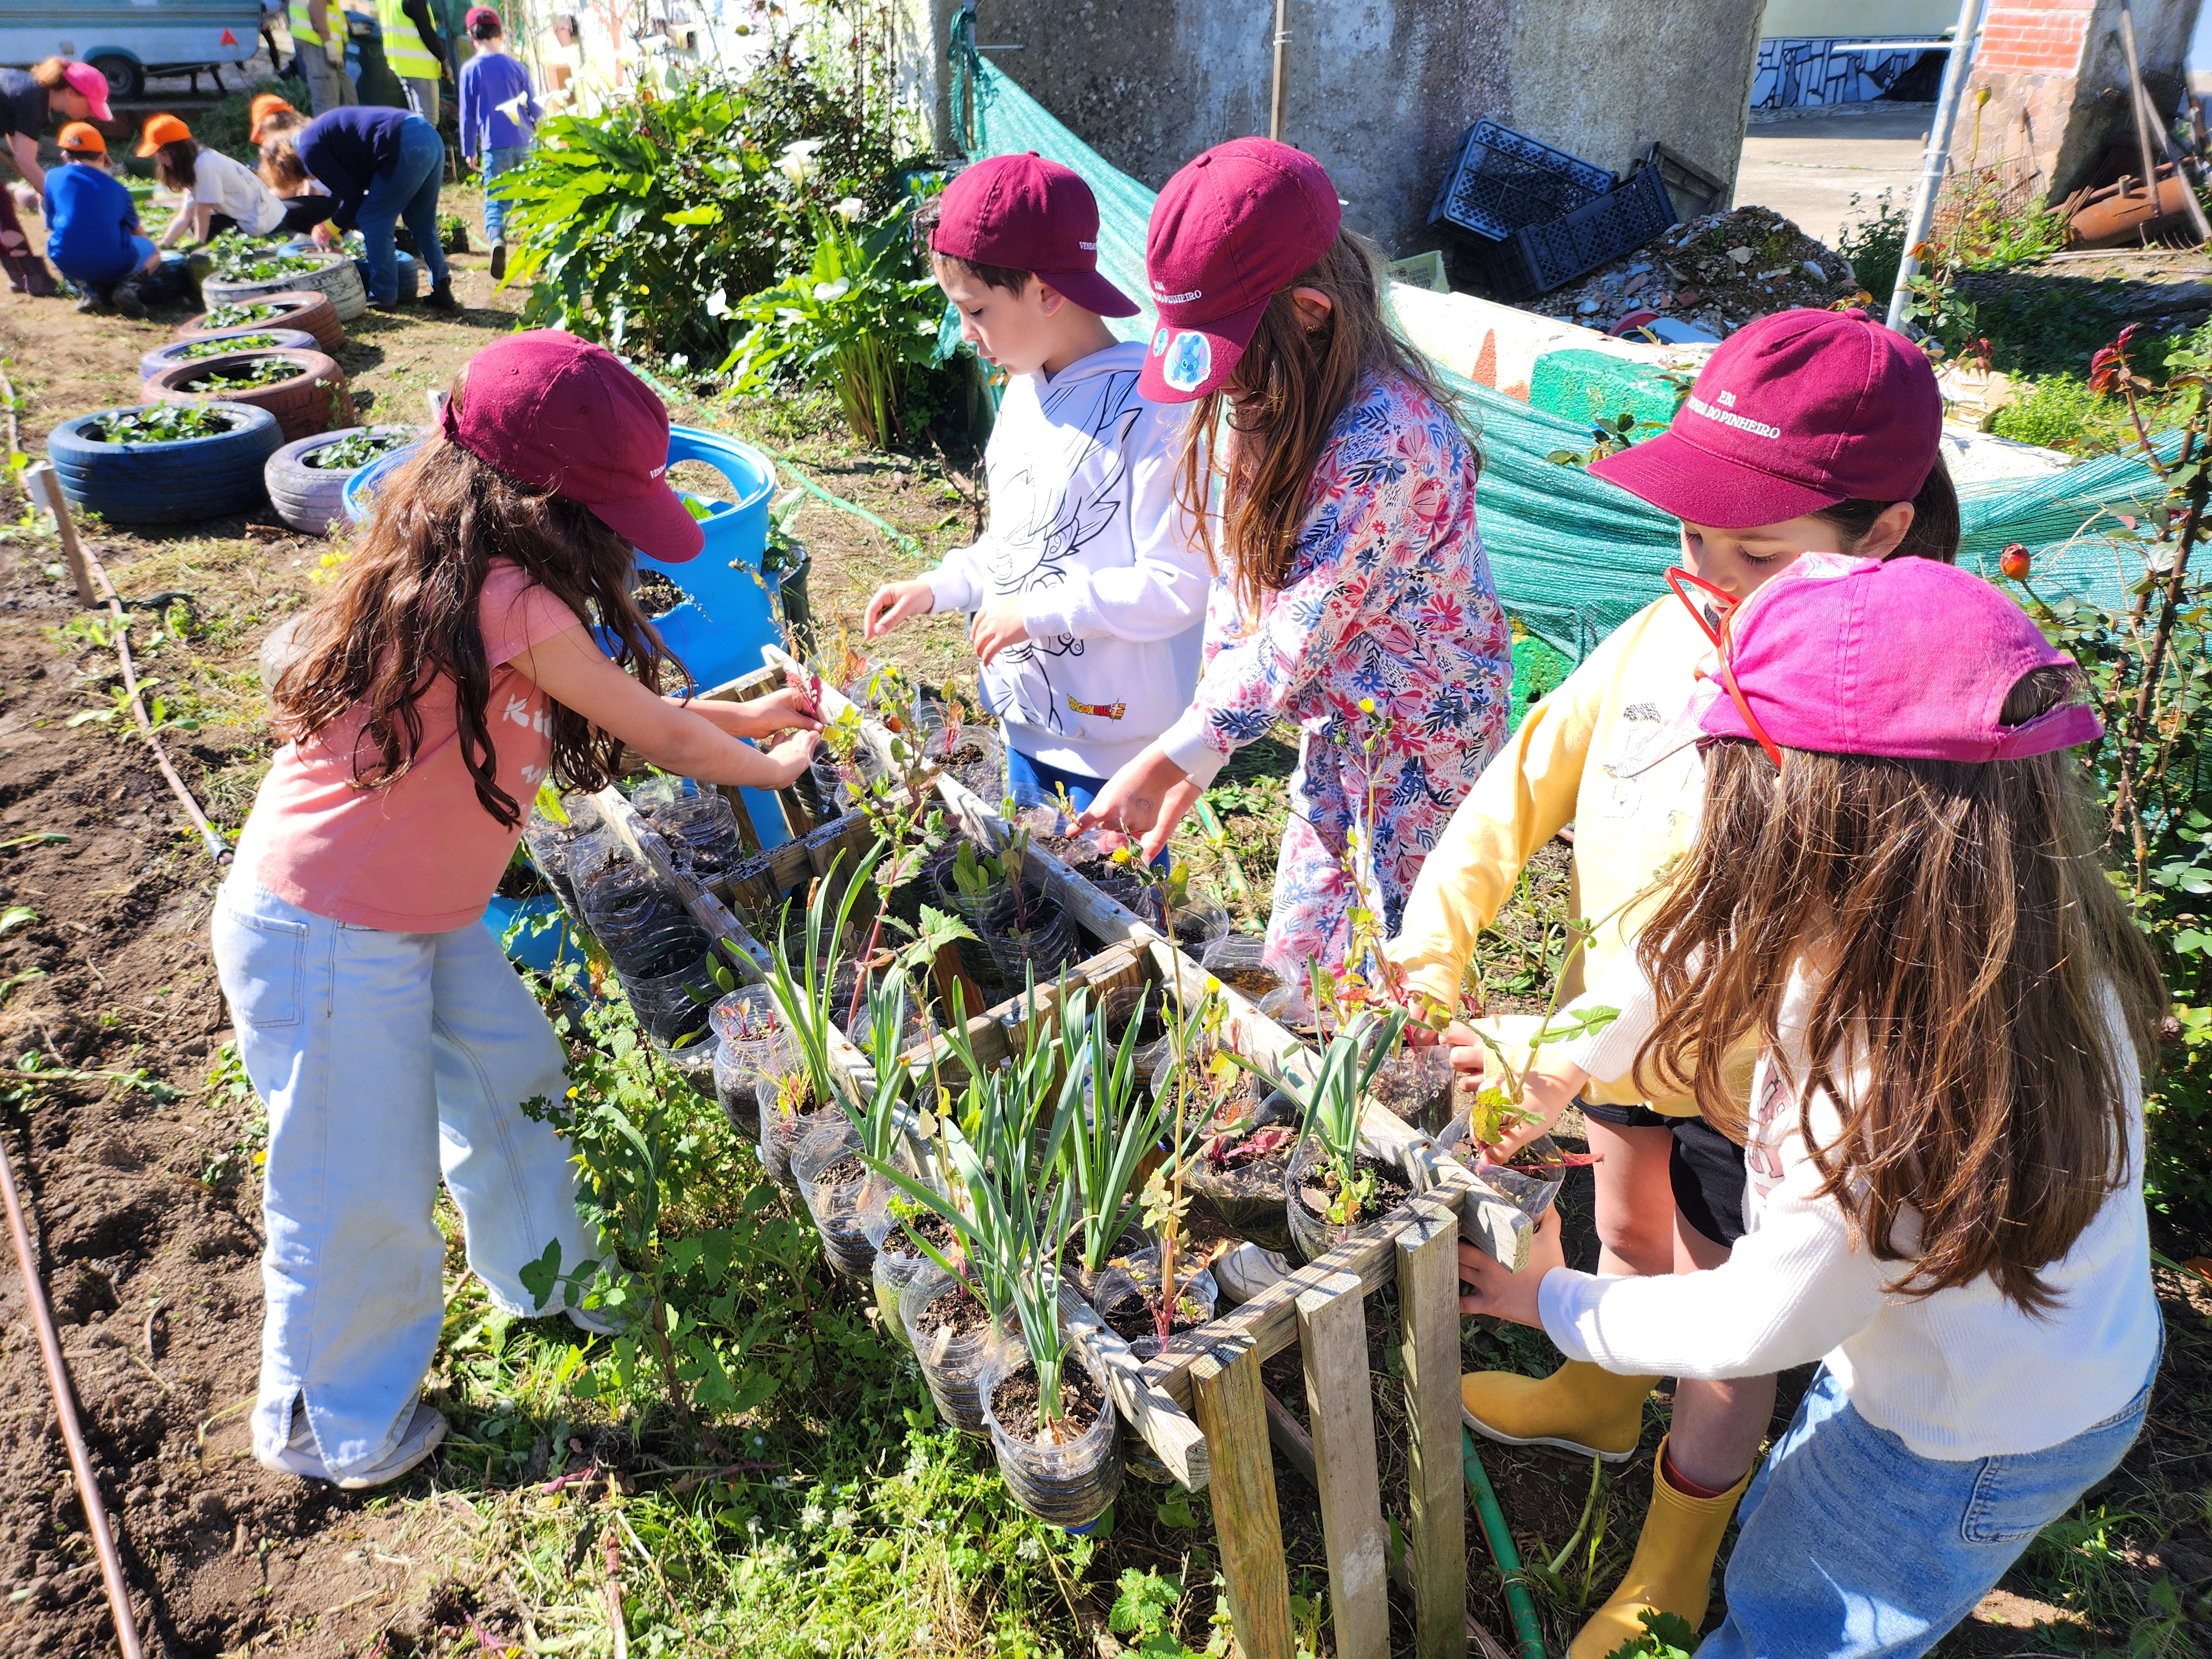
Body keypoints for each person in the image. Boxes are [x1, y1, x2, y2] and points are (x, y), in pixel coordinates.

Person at [1458, 554, 2162, 1659]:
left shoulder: (1882, 1086)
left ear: (1817, 817)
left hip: (1968, 1439)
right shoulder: (1965, 925)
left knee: (1805, 1612)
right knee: (1789, 1535)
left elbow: (1750, 1323)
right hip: (1955, 1365)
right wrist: (1553, 1056)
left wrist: (1548, 1299)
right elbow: (1697, 953)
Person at [1383, 307, 1960, 1657]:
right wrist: (1434, 941)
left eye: (1751, 551)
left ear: (1878, 536)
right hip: (1616, 1055)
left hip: (1752, 1094)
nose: (1703, 571)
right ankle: (1593, 1393)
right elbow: (1520, 781)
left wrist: (1567, 1034)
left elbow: (1740, 944)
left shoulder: (1864, 727)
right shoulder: (1659, 636)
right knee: (1627, 1230)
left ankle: (1671, 1563)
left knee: (1721, 1335)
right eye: (1695, 532)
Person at [214, 331, 823, 1489]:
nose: (615, 535)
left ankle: (545, 1276)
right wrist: (777, 768)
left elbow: (643, 709)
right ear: (535, 500)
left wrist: (741, 728)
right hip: (327, 930)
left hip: (410, 913)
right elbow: (655, 731)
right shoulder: (507, 597)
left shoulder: (468, 571)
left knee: (511, 1072)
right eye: (606, 509)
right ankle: (327, 1425)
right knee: (356, 1181)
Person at [1074, 138, 1511, 980]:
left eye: (1232, 355)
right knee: (1303, 946)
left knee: (1399, 958)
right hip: (1341, 721)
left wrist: (1180, 749)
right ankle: (1311, 1064)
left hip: (1428, 738)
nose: (1224, 385)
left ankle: (1410, 1096)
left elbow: (1295, 632)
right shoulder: (1275, 393)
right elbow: (1244, 601)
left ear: (1311, 313)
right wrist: (1200, 753)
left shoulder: (1388, 438)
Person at [861, 153, 1207, 823]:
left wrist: (1036, 612)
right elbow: (1015, 545)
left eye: (976, 310)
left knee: (1114, 905)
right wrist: (940, 586)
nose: (964, 334)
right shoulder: (1024, 389)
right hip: (1023, 723)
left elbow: (1177, 586)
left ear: (1047, 292)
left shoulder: (1155, 407)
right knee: (1034, 896)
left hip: (1117, 747)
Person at [295, 105, 456, 311]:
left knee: (374, 220)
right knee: (421, 222)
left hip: (402, 141)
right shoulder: (322, 137)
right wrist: (337, 230)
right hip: (427, 135)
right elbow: (350, 193)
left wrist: (328, 228)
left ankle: (383, 295)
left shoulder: (309, 151)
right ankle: (442, 289)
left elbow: (354, 200)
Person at [0, 59, 112, 296]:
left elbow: (16, 141)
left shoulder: (32, 91)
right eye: (90, 106)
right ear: (71, 93)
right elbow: (25, 161)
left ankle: (23, 276)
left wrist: (43, 187)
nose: (91, 113)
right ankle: (32, 276)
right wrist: (60, 202)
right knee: (1, 209)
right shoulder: (32, 99)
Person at [456, 4, 539, 281]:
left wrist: (469, 150)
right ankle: (540, 249)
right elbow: (534, 108)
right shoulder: (517, 66)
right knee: (533, 198)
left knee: (497, 200)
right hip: (525, 141)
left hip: (494, 145)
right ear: (501, 34)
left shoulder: (470, 70)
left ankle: (497, 242)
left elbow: (467, 114)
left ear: (472, 36)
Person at [43, 123, 159, 317]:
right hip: (113, 263)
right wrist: (152, 245)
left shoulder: (52, 177)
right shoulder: (118, 189)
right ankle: (128, 288)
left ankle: (88, 290)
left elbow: (52, 223)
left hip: (68, 261)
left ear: (65, 156)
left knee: (58, 241)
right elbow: (137, 231)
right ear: (103, 157)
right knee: (153, 252)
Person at [140, 114, 289, 248]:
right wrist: (165, 244)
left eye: (164, 154)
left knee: (202, 227)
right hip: (254, 216)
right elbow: (186, 214)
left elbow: (203, 210)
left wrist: (199, 245)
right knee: (197, 225)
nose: (161, 161)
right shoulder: (195, 164)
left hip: (266, 224)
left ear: (178, 151)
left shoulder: (205, 166)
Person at [378, 0, 450, 126]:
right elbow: (426, 30)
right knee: (428, 123)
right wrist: (443, 60)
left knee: (417, 120)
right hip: (421, 67)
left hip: (401, 65)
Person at [288, 0, 359, 112]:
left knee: (346, 95)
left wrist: (345, 24)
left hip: (323, 43)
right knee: (327, 100)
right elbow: (317, 7)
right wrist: (328, 43)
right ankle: (328, 129)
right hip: (318, 43)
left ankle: (347, 127)